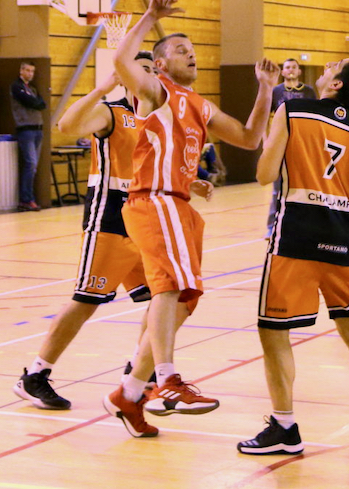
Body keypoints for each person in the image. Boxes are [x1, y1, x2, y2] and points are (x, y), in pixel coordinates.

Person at [102, 0, 279, 438]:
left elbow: (249, 137)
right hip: (153, 200)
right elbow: (121, 60)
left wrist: (265, 89)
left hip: (179, 204)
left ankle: (129, 391)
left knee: (183, 299)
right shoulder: (155, 90)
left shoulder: (200, 104)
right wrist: (150, 16)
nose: (191, 54)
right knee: (167, 288)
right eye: (181, 50)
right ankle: (166, 380)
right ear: (161, 64)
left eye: (192, 50)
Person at [14, 52, 215, 413]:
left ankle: (140, 375)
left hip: (149, 218)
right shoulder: (112, 111)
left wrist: (189, 182)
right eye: (143, 70)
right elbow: (66, 126)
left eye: (154, 71)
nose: (150, 76)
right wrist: (101, 89)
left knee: (165, 297)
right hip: (110, 218)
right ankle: (35, 374)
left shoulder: (161, 116)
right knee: (86, 299)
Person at [239, 56, 349, 455]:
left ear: (336, 84)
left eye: (335, 66)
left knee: (273, 330)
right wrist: (341, 211)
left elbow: (264, 175)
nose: (328, 66)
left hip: (295, 236)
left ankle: (284, 425)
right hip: (342, 241)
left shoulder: (292, 111)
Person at [265, 58, 317, 233]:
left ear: (299, 71)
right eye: (287, 67)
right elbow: (265, 118)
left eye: (294, 67)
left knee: (304, 186)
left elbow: (315, 118)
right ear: (283, 72)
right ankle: (272, 226)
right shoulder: (276, 91)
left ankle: (302, 224)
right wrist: (266, 141)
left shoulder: (308, 92)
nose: (291, 70)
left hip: (302, 144)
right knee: (277, 188)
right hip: (281, 145)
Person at [11, 60, 47, 212]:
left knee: (33, 166)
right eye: (27, 70)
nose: (30, 74)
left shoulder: (32, 88)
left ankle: (28, 197)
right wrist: (35, 102)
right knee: (30, 164)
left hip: (38, 129)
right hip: (26, 130)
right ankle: (26, 199)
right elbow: (30, 102)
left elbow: (42, 103)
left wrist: (36, 102)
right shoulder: (16, 87)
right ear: (21, 71)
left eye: (32, 71)